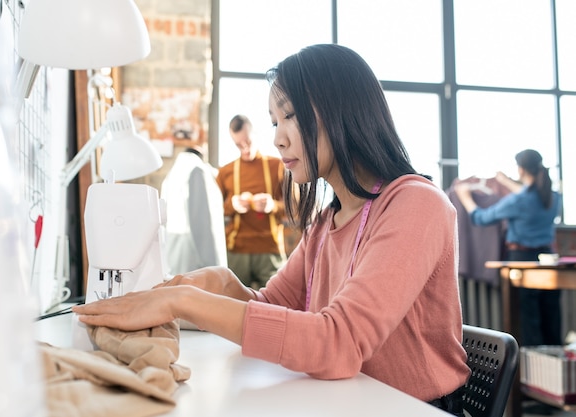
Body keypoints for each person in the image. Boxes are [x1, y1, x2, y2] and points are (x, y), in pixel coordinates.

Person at [73, 44, 470, 416]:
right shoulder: (326, 221)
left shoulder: (416, 205)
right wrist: (225, 284)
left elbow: (339, 342)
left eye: (291, 117)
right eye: (274, 122)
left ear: (343, 111)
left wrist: (184, 302)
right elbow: (274, 309)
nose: (278, 138)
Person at [455, 149, 562, 346]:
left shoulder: (518, 201)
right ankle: (556, 372)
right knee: (552, 321)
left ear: (520, 170)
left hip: (521, 260)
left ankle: (530, 374)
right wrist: (505, 182)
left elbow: (481, 217)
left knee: (528, 324)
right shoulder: (553, 197)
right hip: (548, 260)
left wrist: (464, 197)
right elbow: (528, 195)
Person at [215, 115, 286, 289]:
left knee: (278, 302)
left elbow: (296, 209)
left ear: (255, 133)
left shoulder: (277, 166)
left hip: (270, 249)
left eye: (247, 141)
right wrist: (232, 205)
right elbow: (213, 211)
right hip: (237, 249)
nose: (245, 148)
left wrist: (273, 205)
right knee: (234, 303)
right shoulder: (225, 172)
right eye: (238, 145)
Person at [160, 146, 227, 275]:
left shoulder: (171, 177)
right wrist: (215, 266)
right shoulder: (197, 171)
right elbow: (202, 222)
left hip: (174, 254)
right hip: (197, 259)